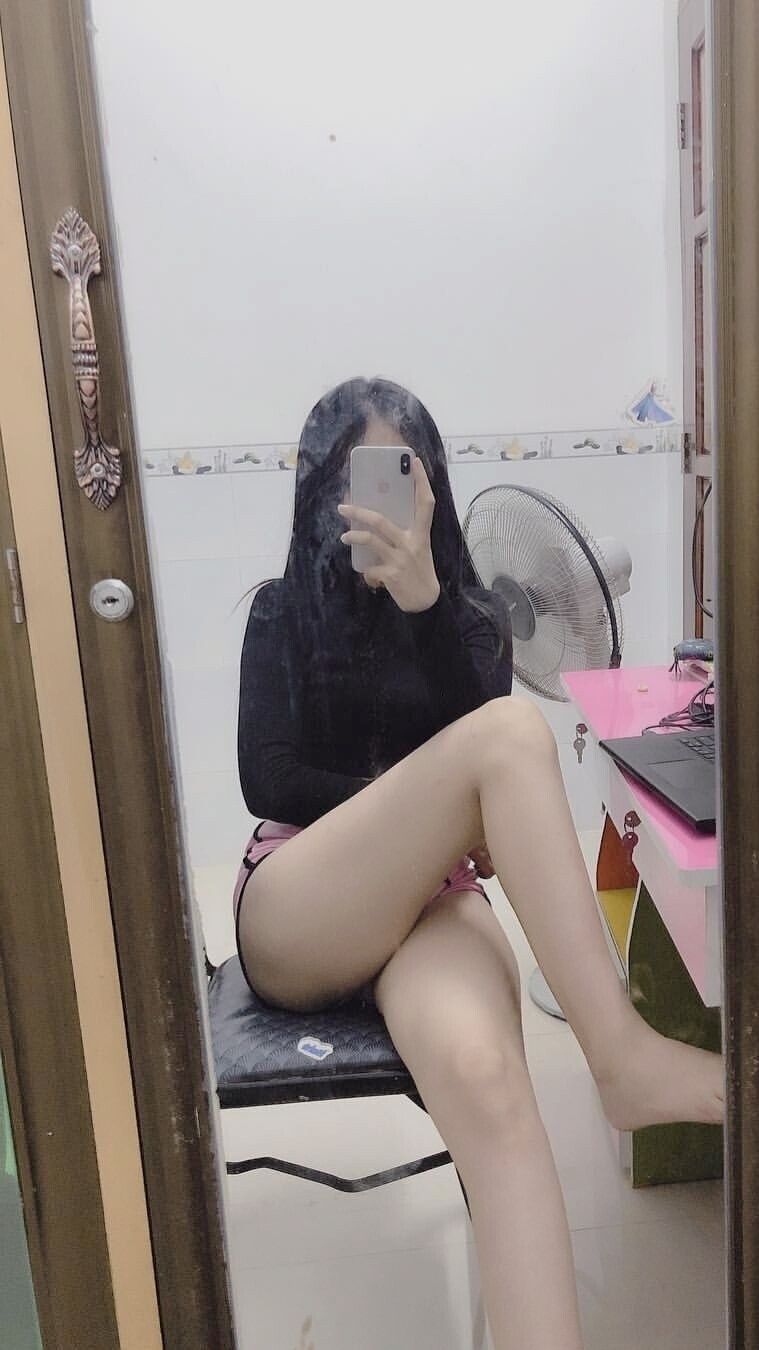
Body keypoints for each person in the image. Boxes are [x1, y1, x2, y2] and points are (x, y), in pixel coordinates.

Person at [235, 377, 724, 1350]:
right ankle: (622, 1058)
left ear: (433, 488)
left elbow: (480, 773)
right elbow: (270, 779)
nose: (380, 501)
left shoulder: (469, 619)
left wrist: (422, 605)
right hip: (305, 901)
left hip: (436, 903)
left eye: (403, 475)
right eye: (356, 477)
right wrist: (417, 818)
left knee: (488, 1077)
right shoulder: (280, 614)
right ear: (322, 493)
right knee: (508, 733)